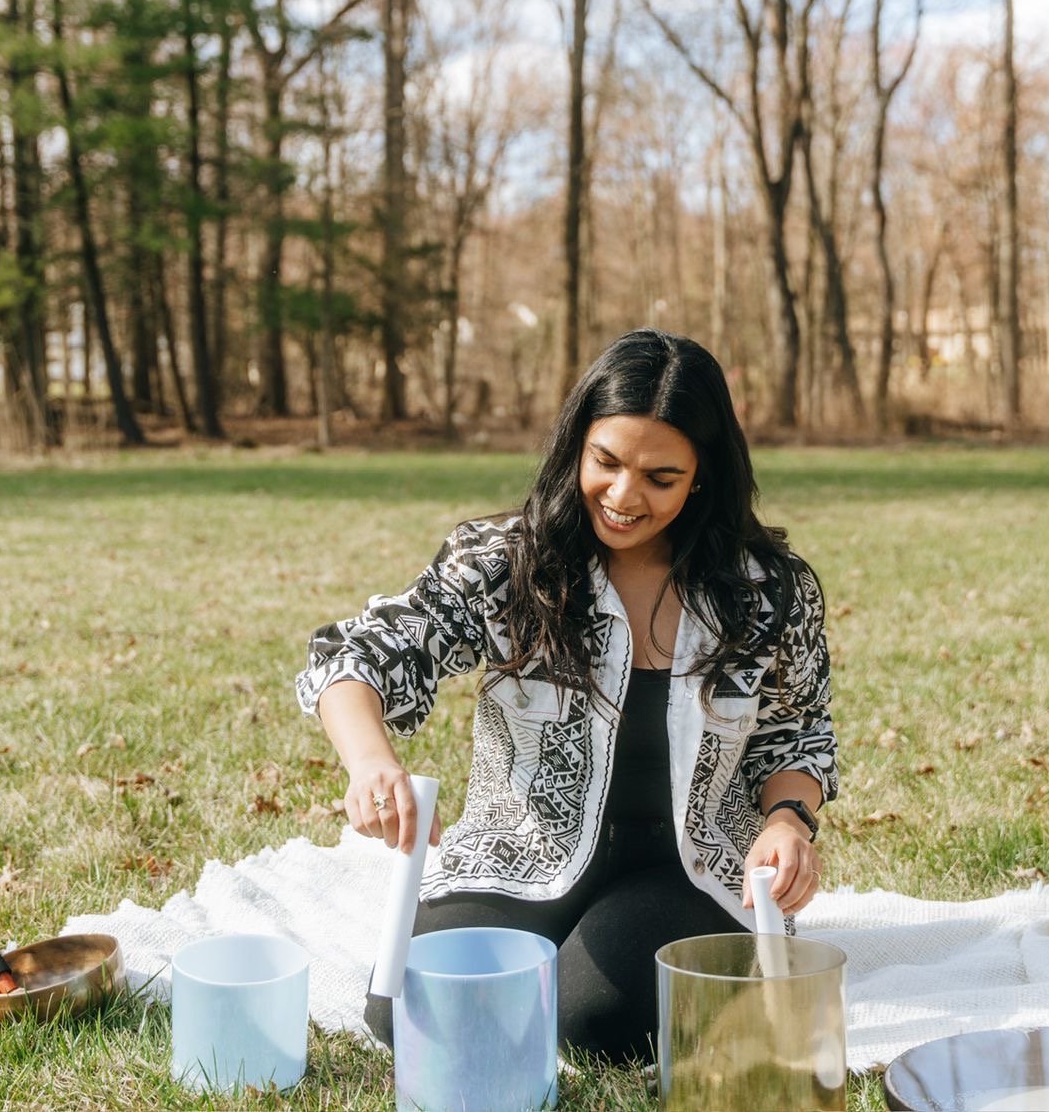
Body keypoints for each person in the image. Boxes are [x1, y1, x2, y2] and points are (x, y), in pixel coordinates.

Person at [296, 328, 837, 1063]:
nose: (622, 496)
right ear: (576, 446)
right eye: (606, 462)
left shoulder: (768, 591)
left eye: (660, 476)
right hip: (521, 852)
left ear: (702, 475)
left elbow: (796, 731)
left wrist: (787, 821)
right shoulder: (507, 566)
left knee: (595, 1027)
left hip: (690, 868)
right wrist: (368, 764)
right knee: (416, 1011)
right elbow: (355, 655)